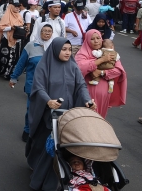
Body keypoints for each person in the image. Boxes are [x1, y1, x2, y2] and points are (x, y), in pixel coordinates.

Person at [27, 37, 96, 191]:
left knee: (58, 149)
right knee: (44, 145)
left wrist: (87, 101)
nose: (67, 52)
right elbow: (38, 87)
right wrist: (48, 101)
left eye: (69, 50)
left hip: (67, 115)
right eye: (63, 49)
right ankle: (37, 173)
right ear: (55, 49)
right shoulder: (44, 66)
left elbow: (81, 86)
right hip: (48, 115)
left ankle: (52, 179)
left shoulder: (73, 66)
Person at [9, 23, 54, 142]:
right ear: (39, 32)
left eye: (50, 31)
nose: (47, 33)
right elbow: (21, 63)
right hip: (33, 84)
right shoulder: (30, 46)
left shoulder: (55, 47)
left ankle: (41, 132)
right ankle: (27, 130)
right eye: (44, 31)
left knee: (47, 110)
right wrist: (14, 77)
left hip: (49, 85)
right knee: (31, 109)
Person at [75, 29, 127, 118]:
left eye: (98, 38)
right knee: (86, 119)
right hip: (87, 93)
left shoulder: (108, 52)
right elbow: (79, 68)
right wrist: (101, 60)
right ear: (87, 40)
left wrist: (102, 72)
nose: (96, 41)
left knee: (100, 119)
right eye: (92, 39)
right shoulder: (82, 54)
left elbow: (118, 70)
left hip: (104, 94)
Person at [0, 0, 24, 79]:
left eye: (18, 6)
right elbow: (1, 27)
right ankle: (2, 71)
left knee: (15, 57)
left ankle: (11, 73)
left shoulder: (19, 16)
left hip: (17, 39)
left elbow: (22, 26)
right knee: (5, 57)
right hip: (7, 39)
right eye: (15, 6)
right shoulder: (6, 16)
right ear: (11, 6)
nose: (17, 8)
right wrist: (11, 28)